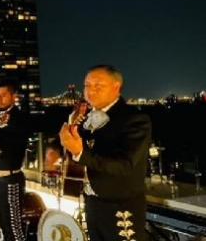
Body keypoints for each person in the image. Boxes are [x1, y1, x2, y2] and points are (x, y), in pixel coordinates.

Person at [59, 65, 152, 241]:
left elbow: (125, 165)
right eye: (87, 85)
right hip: (92, 203)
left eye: (98, 86)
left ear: (116, 86)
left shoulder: (135, 119)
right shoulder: (85, 118)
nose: (90, 91)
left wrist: (80, 152)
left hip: (121, 206)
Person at [0, 81, 29, 241]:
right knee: (3, 225)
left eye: (3, 95)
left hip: (9, 179)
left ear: (14, 96)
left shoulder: (19, 119)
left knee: (15, 229)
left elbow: (9, 154)